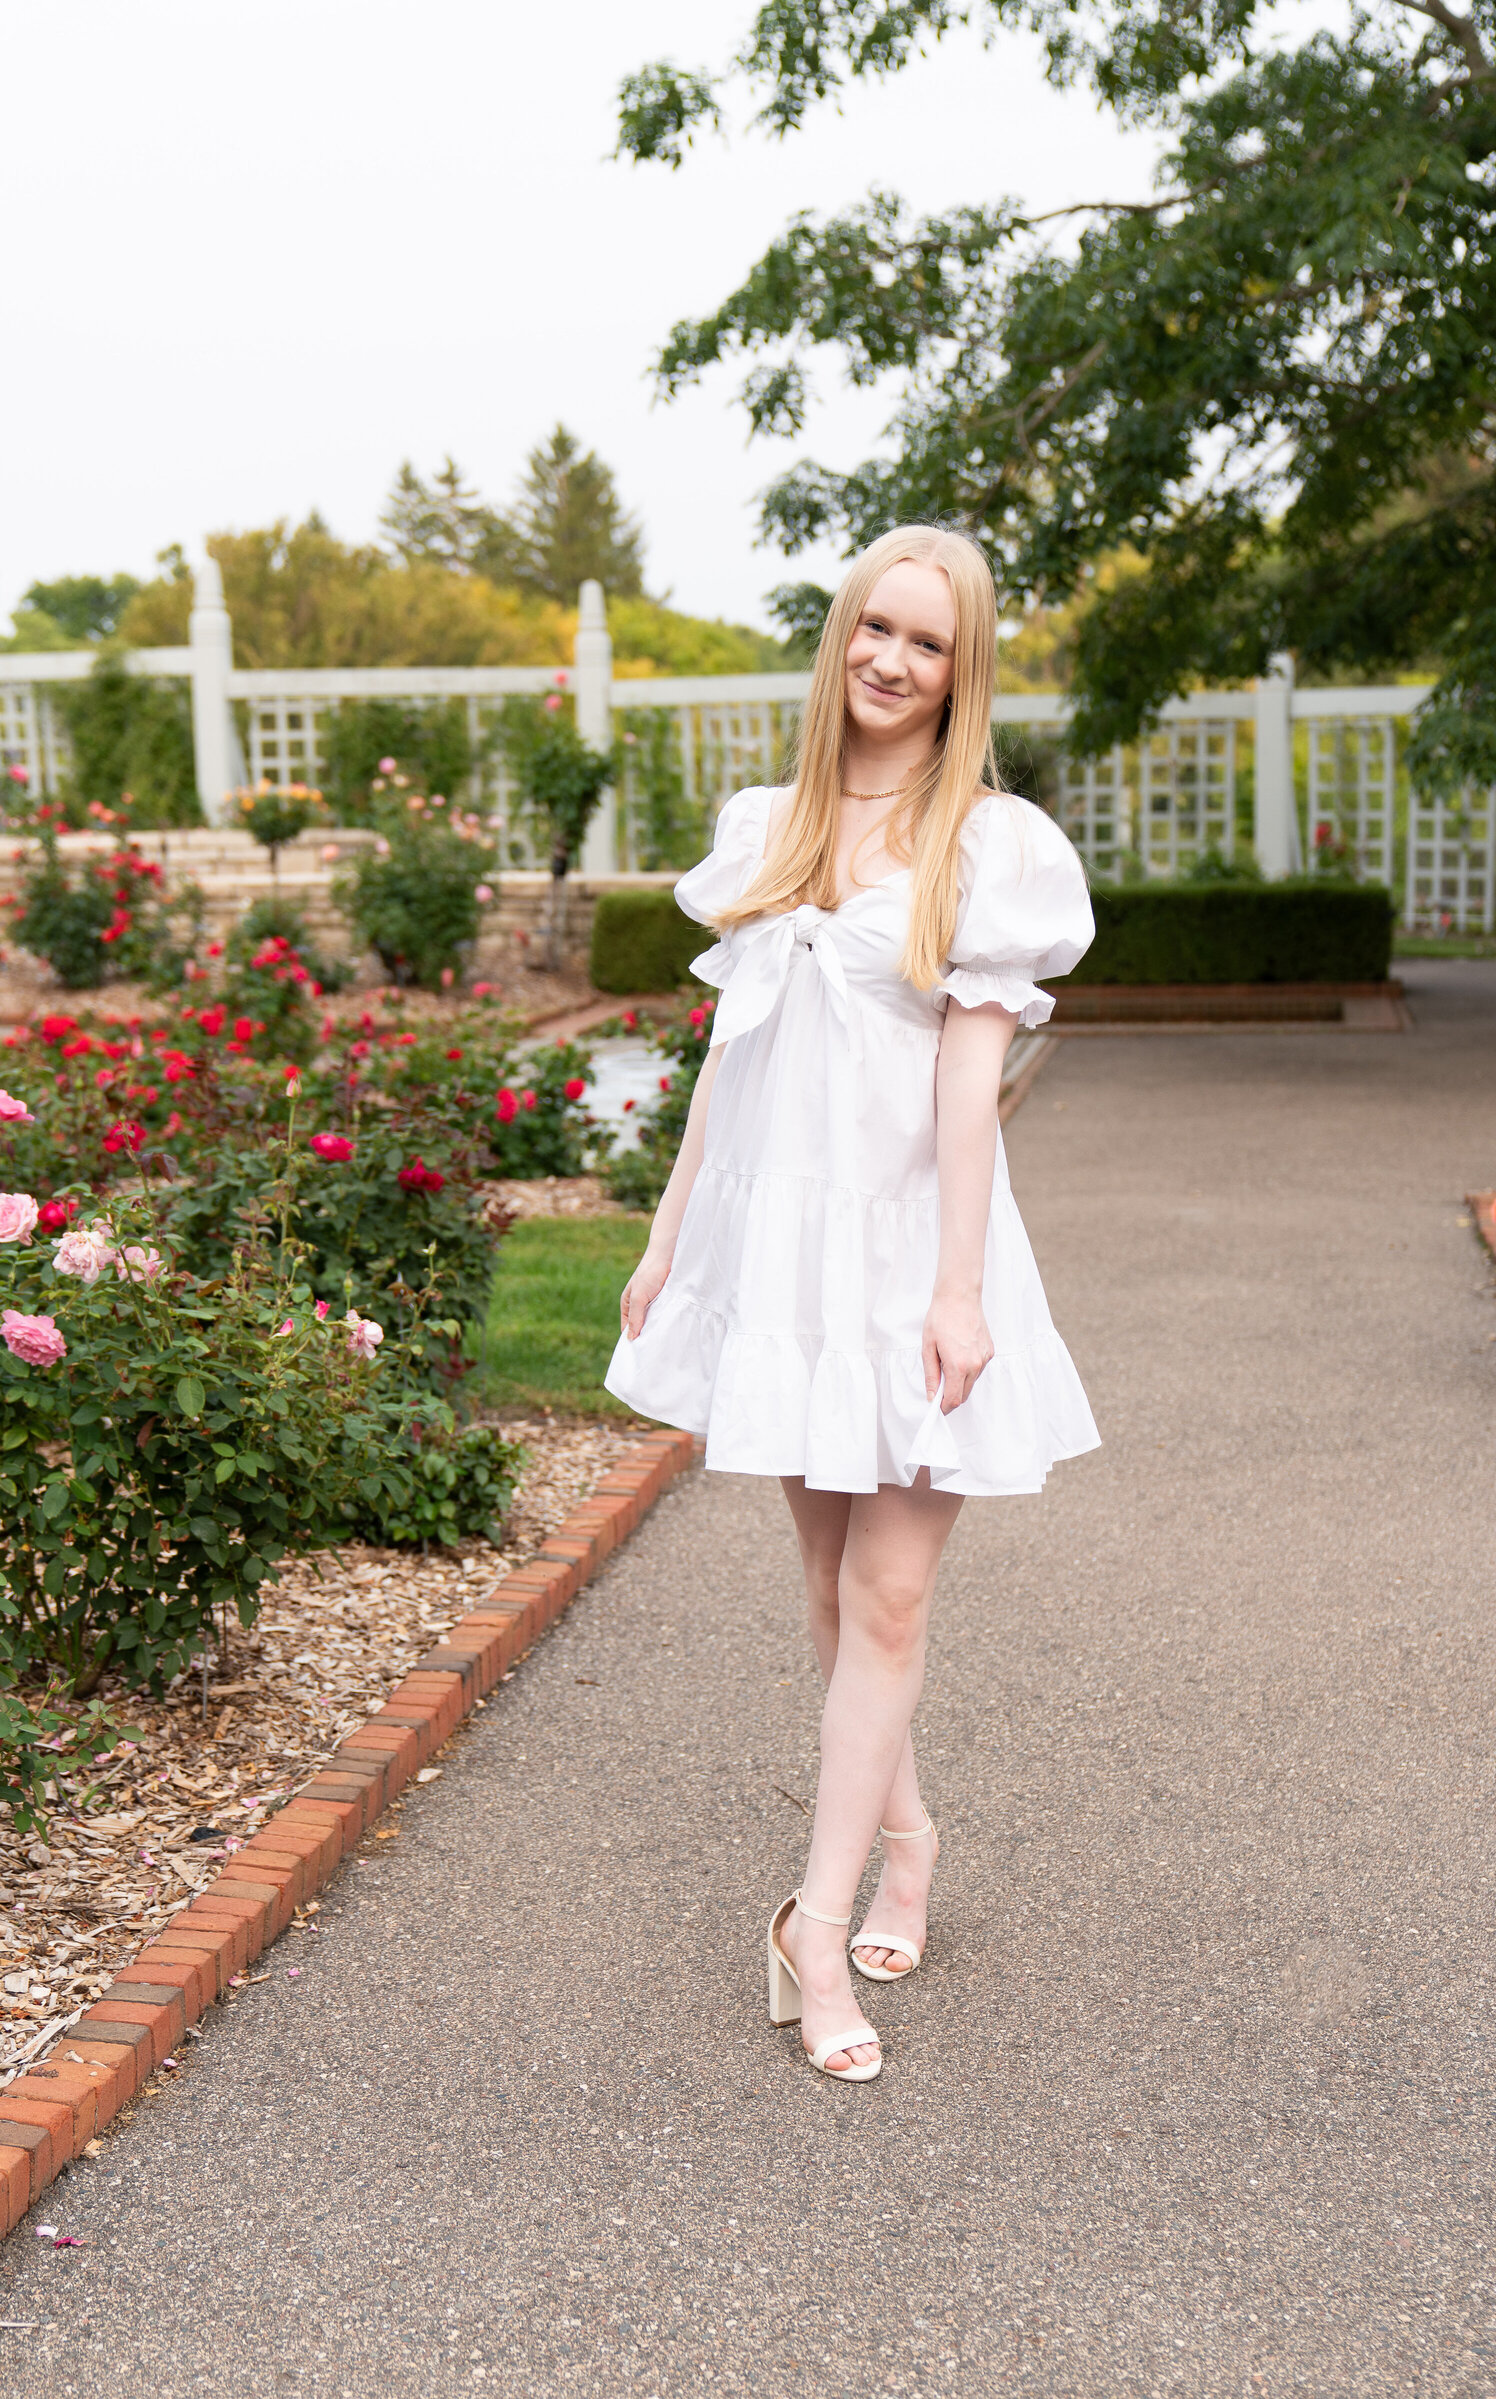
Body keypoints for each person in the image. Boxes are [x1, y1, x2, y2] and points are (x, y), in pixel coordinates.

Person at [606, 524, 1099, 2082]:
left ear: (966, 671)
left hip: (908, 1252)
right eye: (875, 629)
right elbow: (730, 1062)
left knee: (890, 1600)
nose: (893, 660)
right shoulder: (775, 824)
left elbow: (970, 1084)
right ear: (843, 640)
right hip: (783, 1256)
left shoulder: (992, 845)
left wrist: (957, 1290)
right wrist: (670, 1232)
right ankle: (908, 1841)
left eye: (930, 642)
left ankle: (812, 1932)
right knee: (830, 1601)